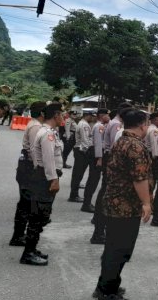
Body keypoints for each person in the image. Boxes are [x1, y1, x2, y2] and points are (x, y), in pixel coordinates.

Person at [93, 108, 153, 300]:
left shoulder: (121, 141)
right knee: (120, 249)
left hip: (114, 202)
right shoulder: (135, 146)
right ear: (143, 125)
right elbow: (140, 178)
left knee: (112, 247)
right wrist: (146, 203)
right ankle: (107, 292)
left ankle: (105, 285)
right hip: (125, 206)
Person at [21, 103, 64, 266]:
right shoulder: (47, 134)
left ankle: (32, 249)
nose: (63, 119)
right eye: (62, 115)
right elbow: (48, 159)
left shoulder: (47, 131)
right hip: (45, 178)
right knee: (39, 215)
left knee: (40, 214)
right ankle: (28, 253)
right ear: (56, 115)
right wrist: (53, 179)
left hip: (42, 176)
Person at [92, 104, 133, 244]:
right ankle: (99, 230)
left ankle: (99, 227)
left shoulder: (113, 123)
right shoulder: (118, 127)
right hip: (112, 162)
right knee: (106, 196)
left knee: (104, 194)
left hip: (109, 160)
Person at [11, 102, 46, 244]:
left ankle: (18, 235)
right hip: (29, 167)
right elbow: (34, 150)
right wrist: (38, 169)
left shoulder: (34, 124)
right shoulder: (36, 126)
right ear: (43, 113)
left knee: (25, 202)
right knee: (26, 202)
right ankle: (18, 236)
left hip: (26, 165)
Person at [82, 108, 109, 213]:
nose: (109, 117)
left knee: (94, 179)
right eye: (107, 115)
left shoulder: (101, 126)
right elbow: (98, 143)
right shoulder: (99, 126)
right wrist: (99, 158)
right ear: (102, 116)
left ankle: (87, 202)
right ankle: (86, 203)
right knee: (93, 179)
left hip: (97, 153)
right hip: (96, 154)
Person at [68, 111, 95, 202]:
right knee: (78, 174)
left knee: (77, 174)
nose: (93, 118)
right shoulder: (84, 124)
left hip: (80, 150)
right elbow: (85, 140)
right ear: (87, 116)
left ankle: (74, 194)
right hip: (81, 151)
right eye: (91, 116)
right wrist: (87, 151)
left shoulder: (83, 123)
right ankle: (73, 195)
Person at [144, 111, 158, 195]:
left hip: (149, 156)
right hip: (153, 158)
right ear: (155, 120)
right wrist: (156, 159)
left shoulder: (151, 128)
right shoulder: (154, 130)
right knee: (152, 181)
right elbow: (155, 147)